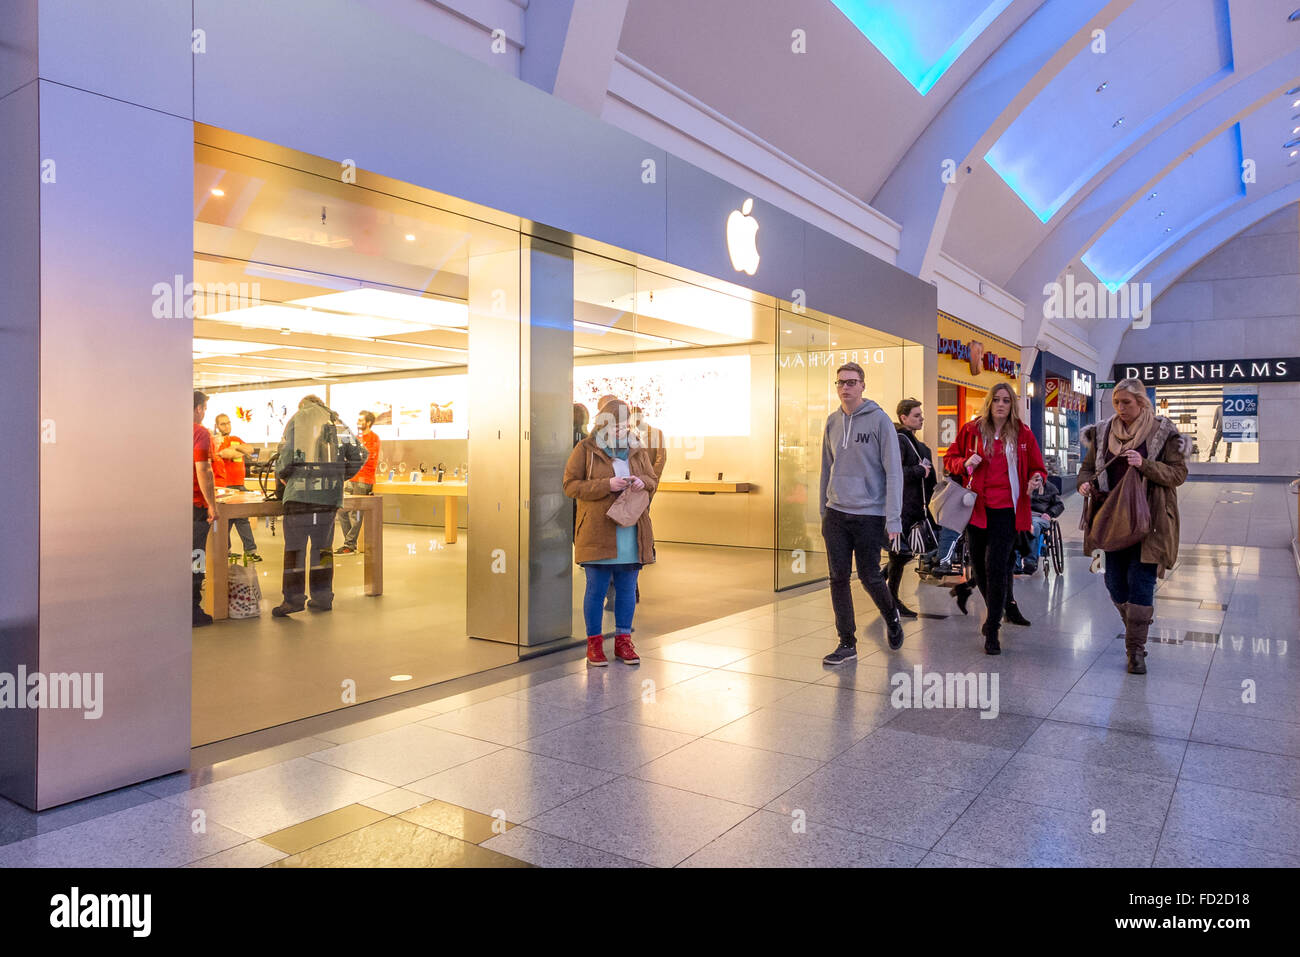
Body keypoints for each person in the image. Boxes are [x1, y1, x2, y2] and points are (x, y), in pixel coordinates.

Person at [1077, 378, 1187, 674]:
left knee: (1142, 582)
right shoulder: (1102, 433)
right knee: (1114, 583)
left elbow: (1178, 474)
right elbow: (1088, 468)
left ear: (1142, 403)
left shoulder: (1164, 433)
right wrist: (1083, 484)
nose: (1121, 408)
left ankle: (1135, 651)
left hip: (1149, 520)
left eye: (1127, 402)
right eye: (1116, 403)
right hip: (1111, 520)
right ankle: (1135, 628)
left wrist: (1144, 464)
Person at [943, 382, 1047, 655]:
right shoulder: (972, 430)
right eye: (996, 399)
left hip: (1008, 510)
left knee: (997, 566)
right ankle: (1001, 609)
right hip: (976, 508)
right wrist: (965, 463)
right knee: (978, 566)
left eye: (1006, 400)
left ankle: (992, 627)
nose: (1001, 404)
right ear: (989, 403)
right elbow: (950, 459)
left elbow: (1038, 467)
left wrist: (1037, 479)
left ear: (1012, 405)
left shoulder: (1022, 434)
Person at [819, 362, 905, 664]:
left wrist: (893, 518)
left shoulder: (880, 421)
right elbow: (826, 469)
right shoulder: (831, 422)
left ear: (862, 386)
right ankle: (847, 642)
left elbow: (894, 472)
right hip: (836, 514)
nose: (846, 388)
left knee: (869, 576)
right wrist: (823, 510)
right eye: (841, 382)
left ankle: (891, 617)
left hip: (870, 514)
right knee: (838, 577)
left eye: (852, 382)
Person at [563, 398, 657, 666]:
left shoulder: (637, 448)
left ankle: (624, 643)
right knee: (596, 589)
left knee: (627, 589)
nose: (622, 430)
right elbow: (570, 486)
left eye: (626, 425)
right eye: (616, 425)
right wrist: (607, 485)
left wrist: (642, 482)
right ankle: (594, 645)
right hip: (598, 530)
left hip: (631, 530)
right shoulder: (585, 449)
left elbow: (652, 479)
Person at [272, 395, 367, 617]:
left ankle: (293, 599)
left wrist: (285, 476)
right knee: (323, 548)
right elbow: (360, 454)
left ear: (303, 406)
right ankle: (323, 597)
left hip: (300, 495)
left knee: (295, 549)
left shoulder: (297, 419)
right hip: (328, 498)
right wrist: (340, 476)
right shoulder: (337, 423)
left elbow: (284, 457)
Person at [884, 398, 936, 618]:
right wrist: (919, 470)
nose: (921, 418)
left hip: (915, 508)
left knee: (905, 554)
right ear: (903, 417)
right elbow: (893, 473)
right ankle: (891, 600)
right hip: (902, 509)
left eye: (920, 414)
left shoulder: (915, 443)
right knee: (900, 554)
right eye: (916, 415)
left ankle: (884, 588)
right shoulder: (899, 440)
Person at [213, 413, 262, 562]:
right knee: (231, 521)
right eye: (223, 424)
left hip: (239, 485)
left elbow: (250, 450)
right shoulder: (216, 441)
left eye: (228, 423)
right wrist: (239, 449)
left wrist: (239, 447)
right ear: (217, 426)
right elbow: (225, 453)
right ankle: (238, 550)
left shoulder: (235, 439)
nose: (226, 426)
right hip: (225, 487)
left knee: (239, 519)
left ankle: (241, 550)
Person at [336, 410, 381, 555]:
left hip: (364, 480)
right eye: (358, 420)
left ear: (368, 423)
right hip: (351, 479)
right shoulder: (355, 438)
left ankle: (349, 545)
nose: (358, 422)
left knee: (356, 514)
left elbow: (367, 459)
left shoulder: (374, 438)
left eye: (361, 420)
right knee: (342, 510)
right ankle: (349, 543)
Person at [192, 391, 218, 627]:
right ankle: (192, 609)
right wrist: (212, 503)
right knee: (195, 557)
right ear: (199, 408)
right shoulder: (199, 432)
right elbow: (203, 470)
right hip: (194, 506)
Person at [1015, 479, 1064, 575]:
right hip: (1022, 515)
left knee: (1033, 526)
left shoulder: (1049, 487)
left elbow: (1059, 505)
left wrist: (1049, 513)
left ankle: (1030, 561)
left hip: (1039, 516)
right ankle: (1015, 563)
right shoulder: (1020, 483)